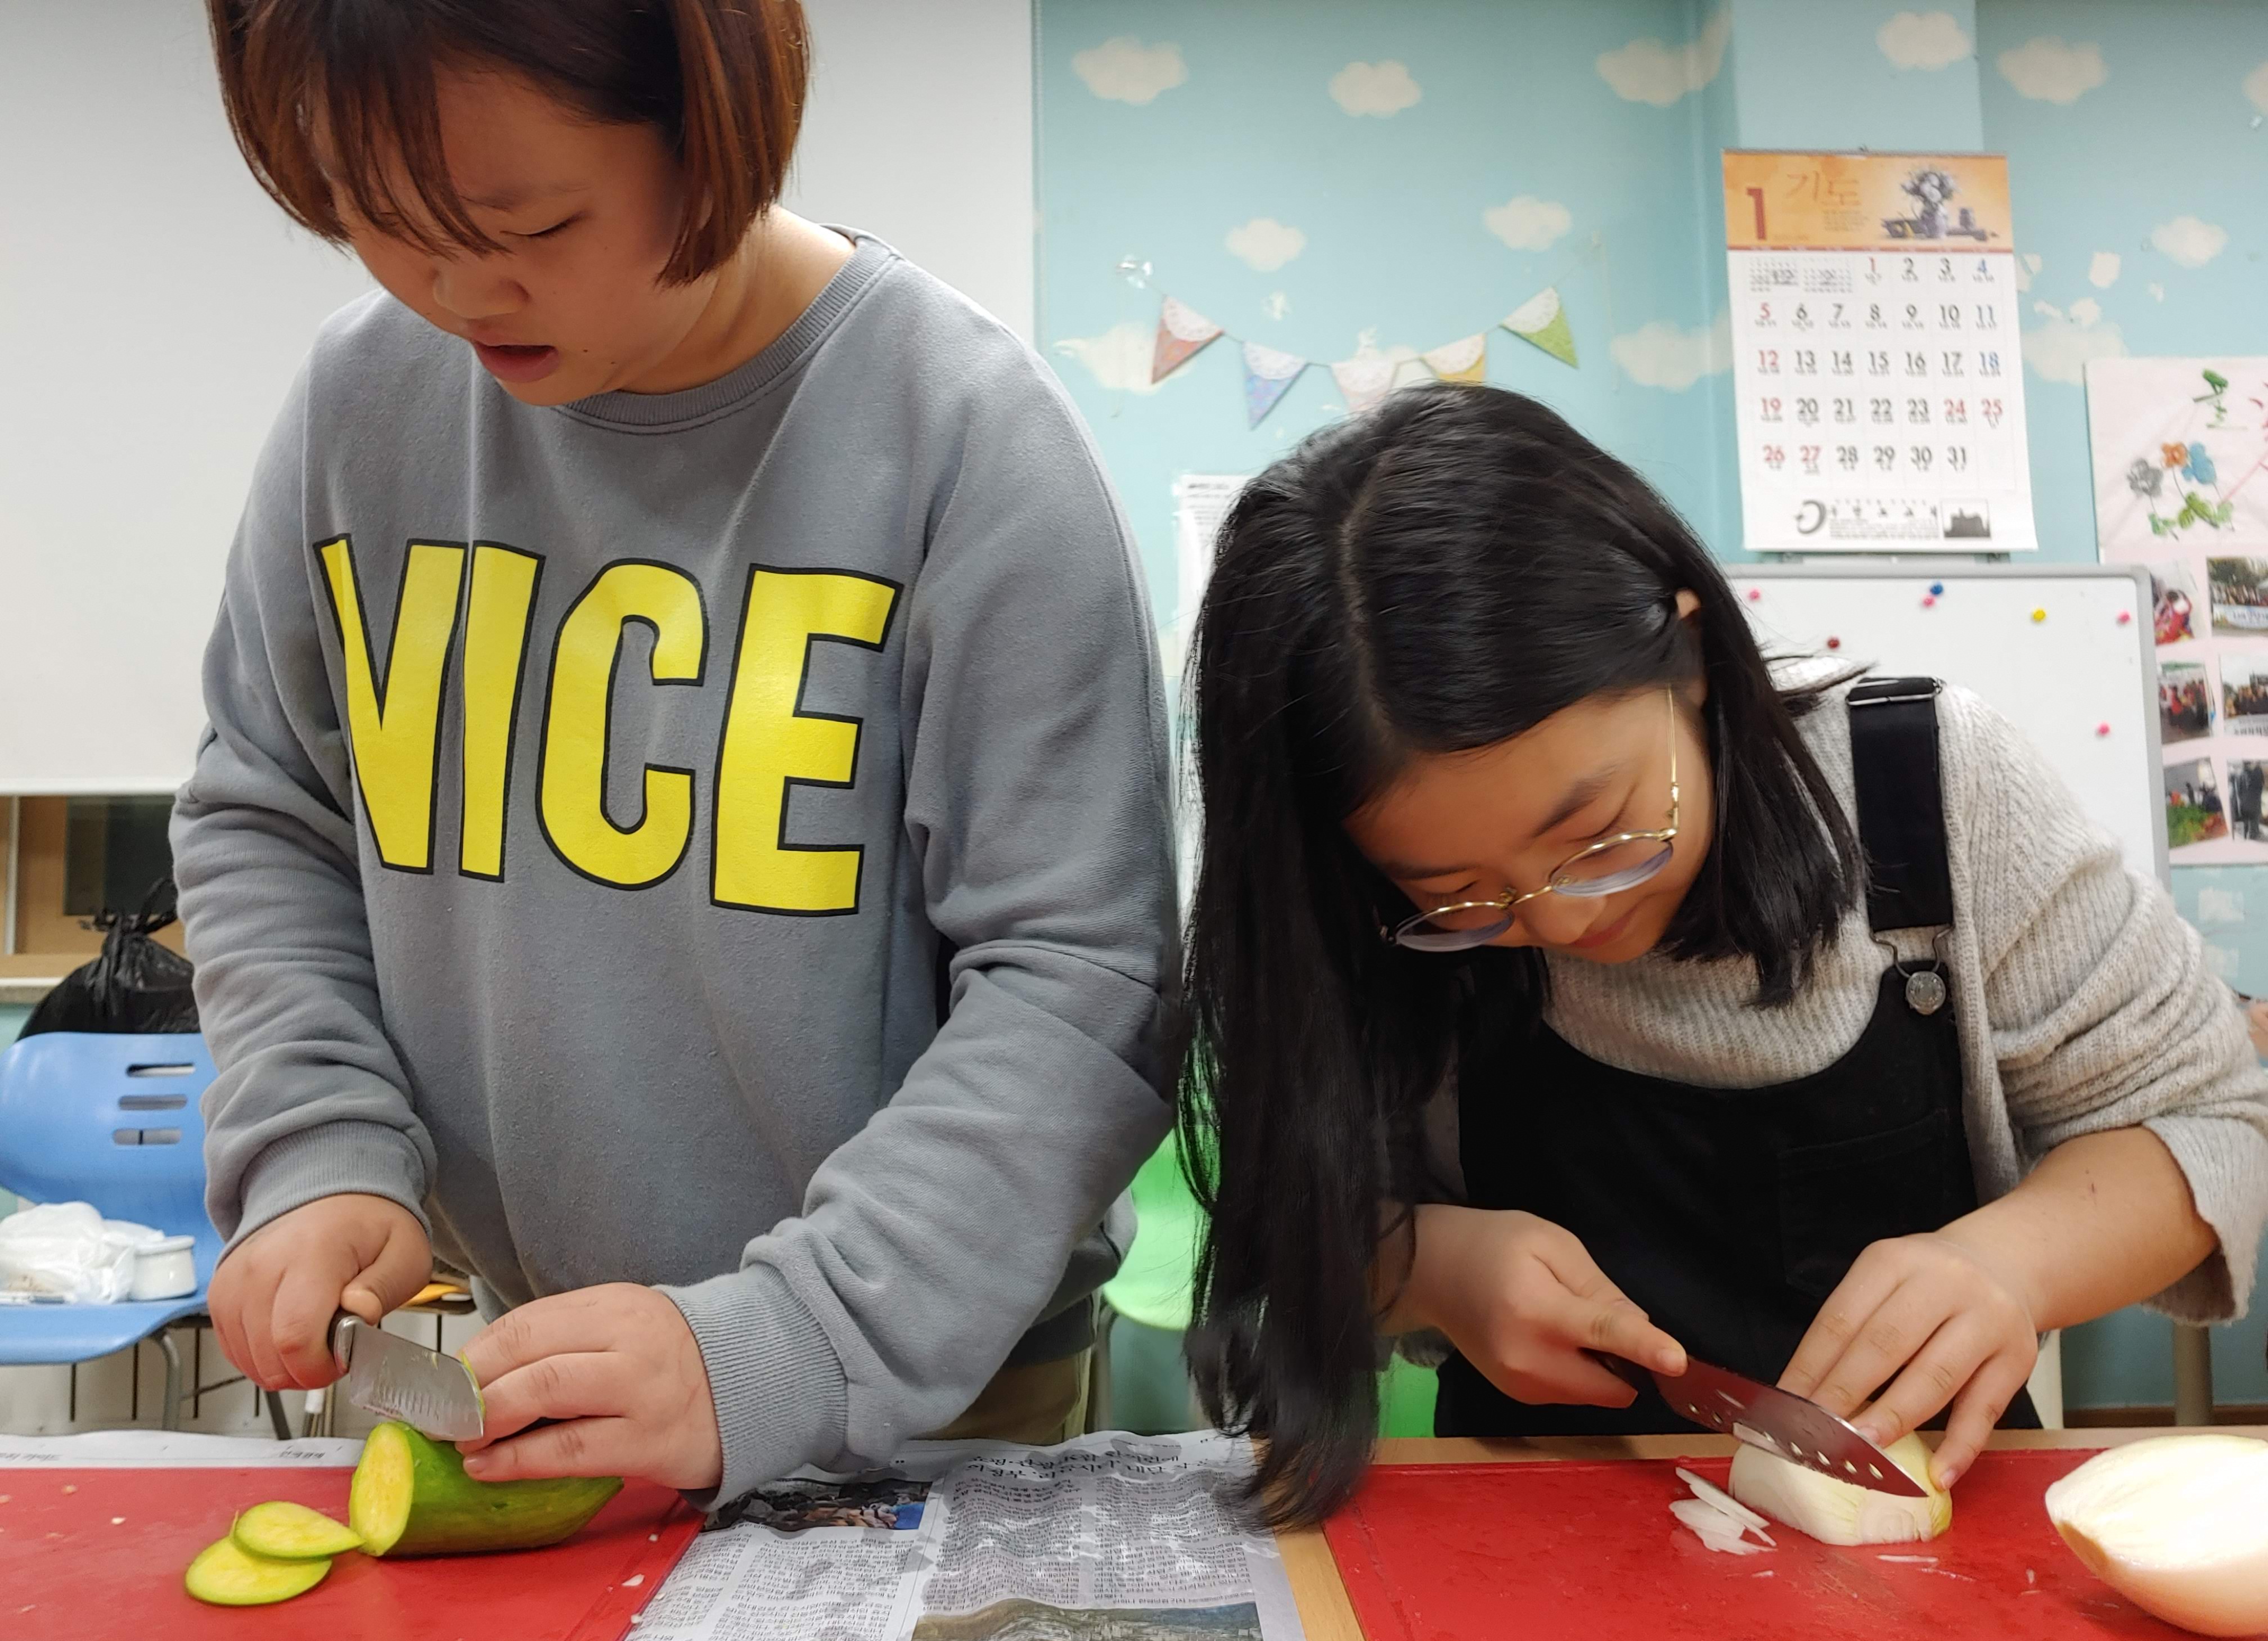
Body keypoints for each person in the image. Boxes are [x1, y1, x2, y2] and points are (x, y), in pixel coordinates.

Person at [176, 0, 1174, 1504]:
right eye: (378, 219)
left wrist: (794, 1338)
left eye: (532, 224)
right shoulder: (359, 405)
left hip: (928, 1380)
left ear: (715, 122)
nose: (457, 289)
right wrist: (314, 1143)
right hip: (545, 1363)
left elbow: (1084, 981)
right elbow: (271, 816)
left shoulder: (965, 438)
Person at [1177, 385, 2268, 1525]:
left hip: (1929, 1520)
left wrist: (2015, 1264)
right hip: (1538, 1527)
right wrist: (1427, 1267)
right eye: (1458, 897)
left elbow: (2208, 1122)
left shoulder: (1925, 790)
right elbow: (1288, 1213)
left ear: (1691, 652)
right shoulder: (1342, 900)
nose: (1560, 924)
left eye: (1599, 836)